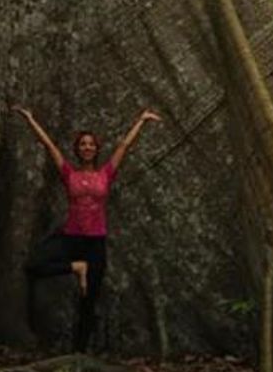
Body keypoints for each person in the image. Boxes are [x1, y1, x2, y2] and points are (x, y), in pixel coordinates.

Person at [12, 105, 162, 351]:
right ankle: (76, 267)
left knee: (88, 300)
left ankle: (79, 353)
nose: (87, 147)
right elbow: (49, 146)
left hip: (95, 242)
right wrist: (30, 119)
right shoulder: (68, 173)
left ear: (97, 149)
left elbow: (124, 146)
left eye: (91, 144)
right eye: (83, 144)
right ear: (77, 149)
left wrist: (142, 120)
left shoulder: (106, 173)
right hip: (71, 238)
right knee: (34, 265)